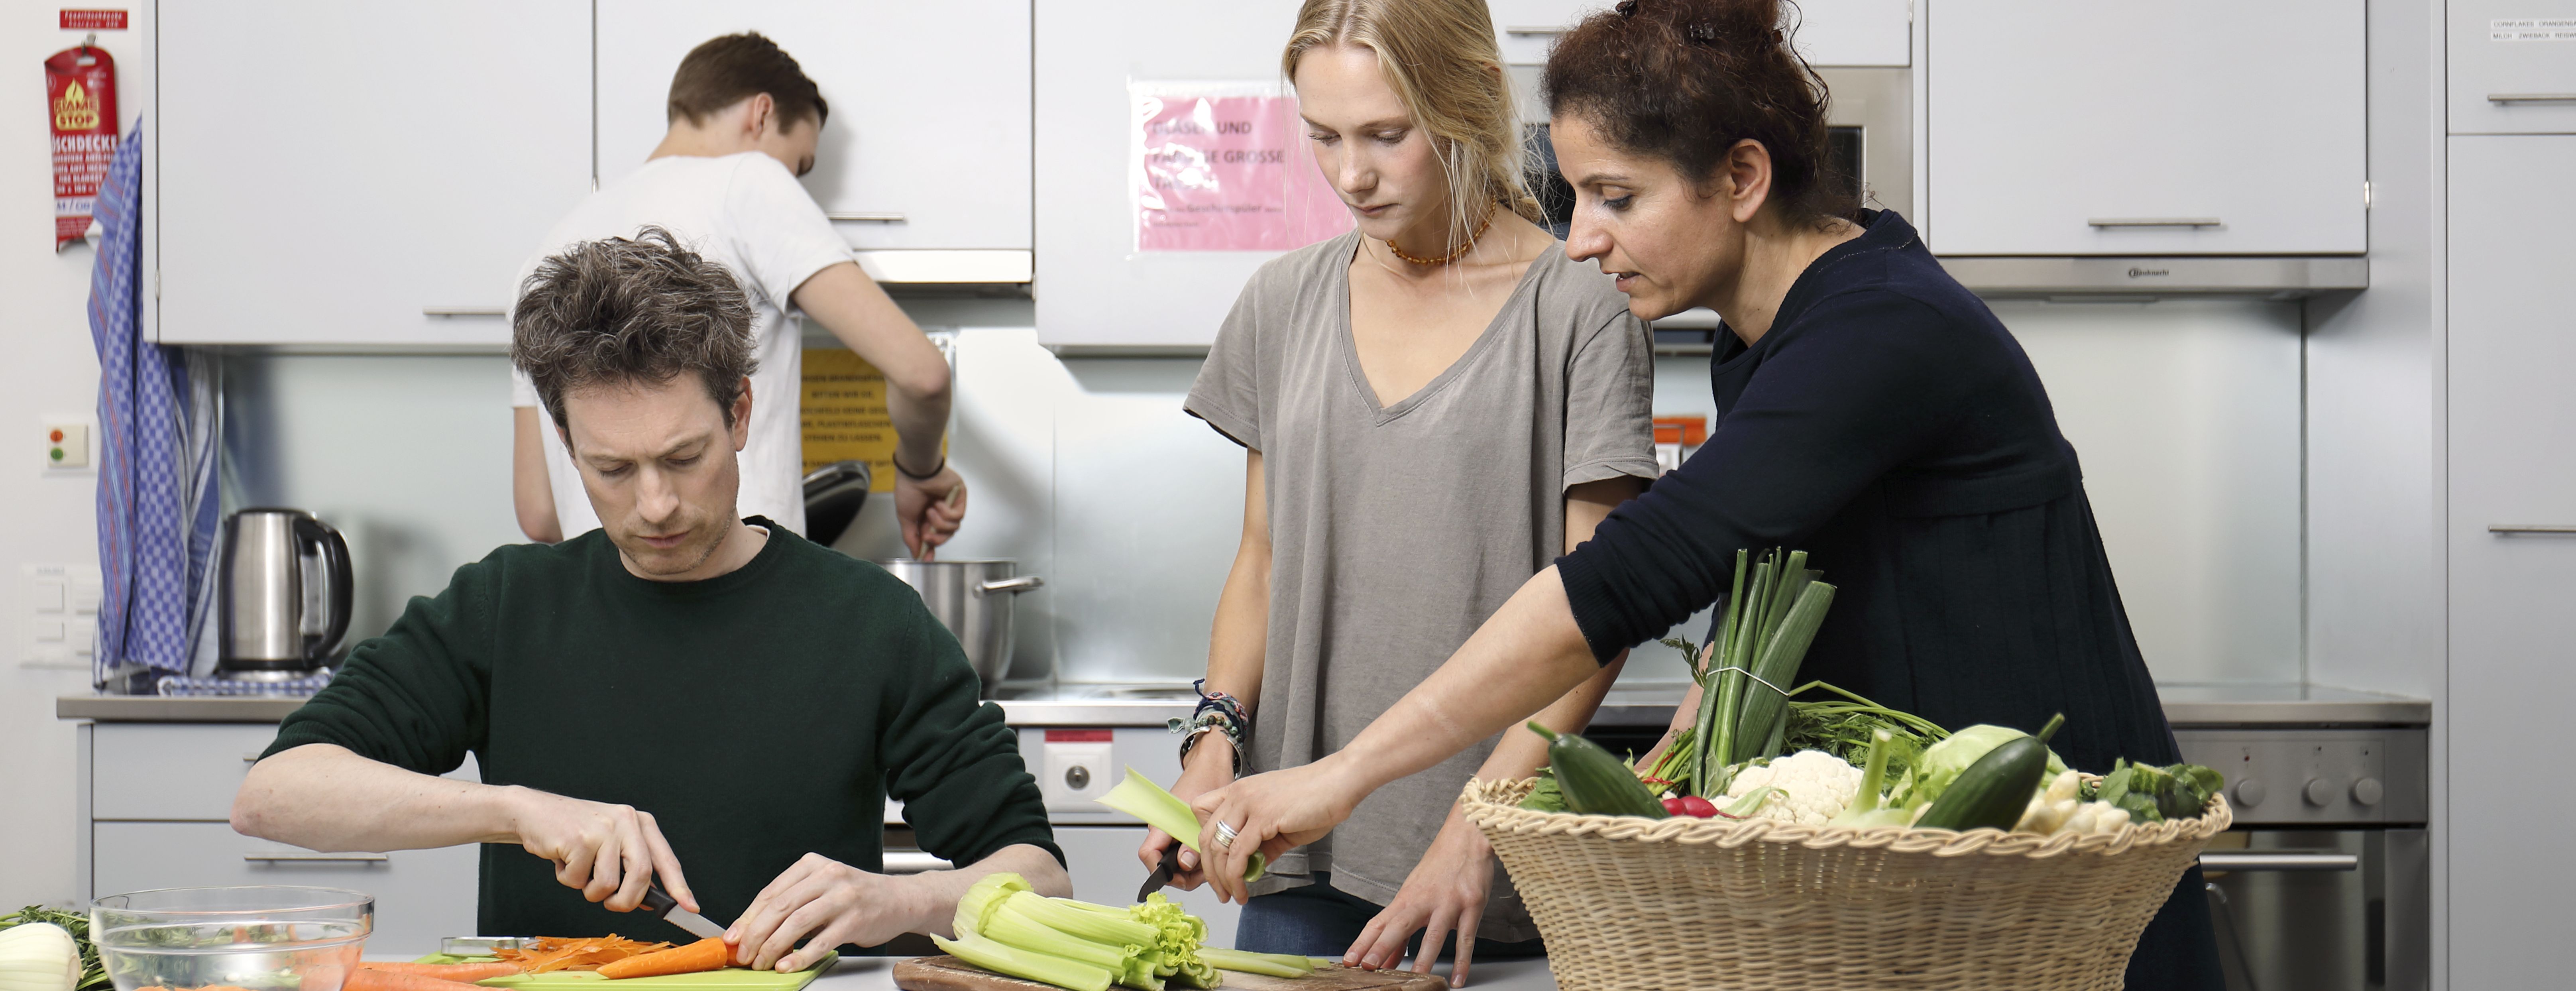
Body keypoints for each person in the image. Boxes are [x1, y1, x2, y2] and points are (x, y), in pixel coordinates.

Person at [1183, 2, 2224, 988]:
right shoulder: (1763, 337)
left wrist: (1346, 773)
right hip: (1931, 881)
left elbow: (1631, 574)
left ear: (1740, 177)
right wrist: (1664, 777)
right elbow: (1758, 601)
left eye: (1617, 197)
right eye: (1578, 193)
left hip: (2064, 883)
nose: (1582, 237)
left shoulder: (1883, 333)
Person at [233, 230, 1066, 969]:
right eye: (614, 470)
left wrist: (898, 903)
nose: (657, 504)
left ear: (740, 413)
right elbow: (273, 794)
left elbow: (1039, 874)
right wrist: (513, 811)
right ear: (566, 445)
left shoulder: (870, 622)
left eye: (684, 456)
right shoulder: (506, 604)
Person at [1138, 1, 1655, 985]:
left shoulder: (1578, 308)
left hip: (1480, 864)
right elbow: (1262, 558)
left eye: (1386, 134)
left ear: (1467, 107)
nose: (1350, 175)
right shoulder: (1283, 301)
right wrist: (1215, 740)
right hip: (1296, 863)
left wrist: (1478, 831)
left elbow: (1605, 604)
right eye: (1324, 136)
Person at [510, 33, 965, 558]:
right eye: (799, 164)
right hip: (750, 603)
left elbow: (539, 511)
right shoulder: (749, 182)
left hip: (613, 618)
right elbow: (923, 375)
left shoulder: (544, 258)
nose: (793, 182)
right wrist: (920, 470)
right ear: (762, 115)